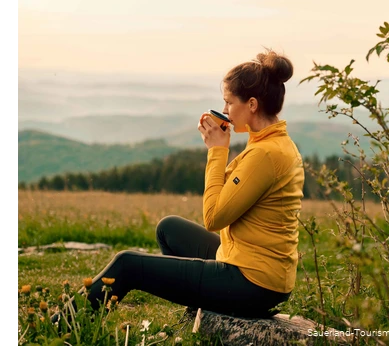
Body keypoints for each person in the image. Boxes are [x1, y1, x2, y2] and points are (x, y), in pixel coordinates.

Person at [57, 49, 305, 320]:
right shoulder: (270, 142)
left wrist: (217, 150)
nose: (224, 110)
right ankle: (197, 300)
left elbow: (213, 217)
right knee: (169, 228)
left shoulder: (266, 153)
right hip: (247, 262)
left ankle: (60, 329)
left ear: (253, 105)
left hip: (254, 283)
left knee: (128, 264)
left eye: (229, 102)